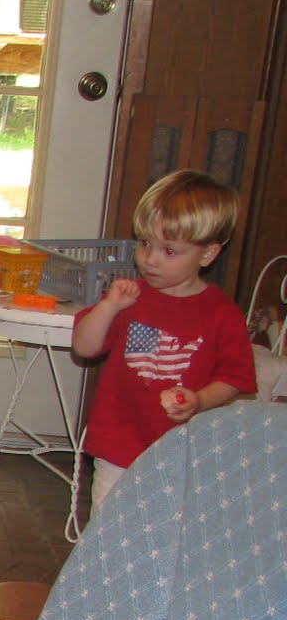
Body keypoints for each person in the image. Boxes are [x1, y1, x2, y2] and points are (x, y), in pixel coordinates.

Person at [72, 169, 257, 513]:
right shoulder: (130, 297)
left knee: (167, 526)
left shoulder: (221, 313)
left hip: (183, 452)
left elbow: (235, 378)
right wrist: (109, 307)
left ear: (207, 254)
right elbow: (84, 347)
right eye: (145, 243)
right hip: (118, 446)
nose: (150, 259)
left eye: (169, 251)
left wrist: (199, 400)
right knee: (109, 526)